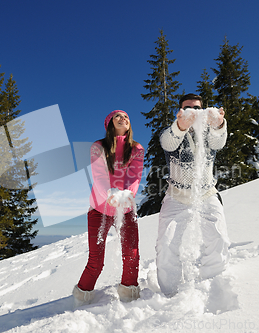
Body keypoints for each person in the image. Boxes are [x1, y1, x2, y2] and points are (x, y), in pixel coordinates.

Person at [156, 93, 231, 297]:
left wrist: (219, 124)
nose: (193, 112)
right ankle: (169, 292)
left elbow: (219, 142)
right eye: (188, 108)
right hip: (176, 197)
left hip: (206, 193)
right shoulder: (171, 131)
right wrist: (180, 126)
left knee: (218, 237)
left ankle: (213, 282)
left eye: (197, 108)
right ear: (180, 111)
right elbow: (167, 143)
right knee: (166, 243)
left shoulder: (208, 131)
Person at [73, 110, 145, 307]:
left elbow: (134, 176)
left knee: (132, 255)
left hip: (126, 209)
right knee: (96, 261)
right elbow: (99, 176)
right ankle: (81, 299)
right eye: (118, 117)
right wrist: (110, 195)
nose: (124, 119)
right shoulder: (98, 147)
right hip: (99, 209)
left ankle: (130, 299)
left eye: (127, 117)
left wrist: (127, 195)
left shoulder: (137, 148)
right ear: (109, 124)